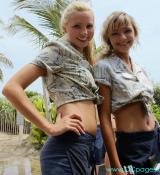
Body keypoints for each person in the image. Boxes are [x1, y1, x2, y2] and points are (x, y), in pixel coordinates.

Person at [2, 1, 102, 175]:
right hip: (66, 149)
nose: (84, 32)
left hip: (85, 148)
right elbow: (11, 88)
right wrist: (49, 127)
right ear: (65, 27)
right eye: (77, 26)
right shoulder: (56, 50)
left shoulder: (82, 59)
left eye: (89, 26)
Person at [93, 11, 160, 175]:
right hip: (132, 146)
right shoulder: (104, 67)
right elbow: (105, 118)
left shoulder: (139, 69)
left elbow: (147, 109)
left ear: (135, 33)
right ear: (108, 38)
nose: (122, 37)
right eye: (115, 33)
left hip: (155, 139)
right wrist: (116, 167)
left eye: (127, 31)